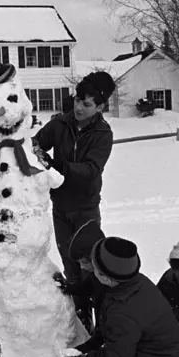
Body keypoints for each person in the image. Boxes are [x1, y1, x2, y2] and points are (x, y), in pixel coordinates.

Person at [32, 71, 116, 308]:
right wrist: (41, 159)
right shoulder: (61, 123)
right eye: (77, 100)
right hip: (60, 206)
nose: (78, 107)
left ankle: (98, 314)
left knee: (90, 266)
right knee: (70, 263)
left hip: (86, 209)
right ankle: (80, 313)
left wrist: (58, 166)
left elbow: (91, 170)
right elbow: (36, 144)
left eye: (86, 103)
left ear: (100, 107)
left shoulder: (102, 134)